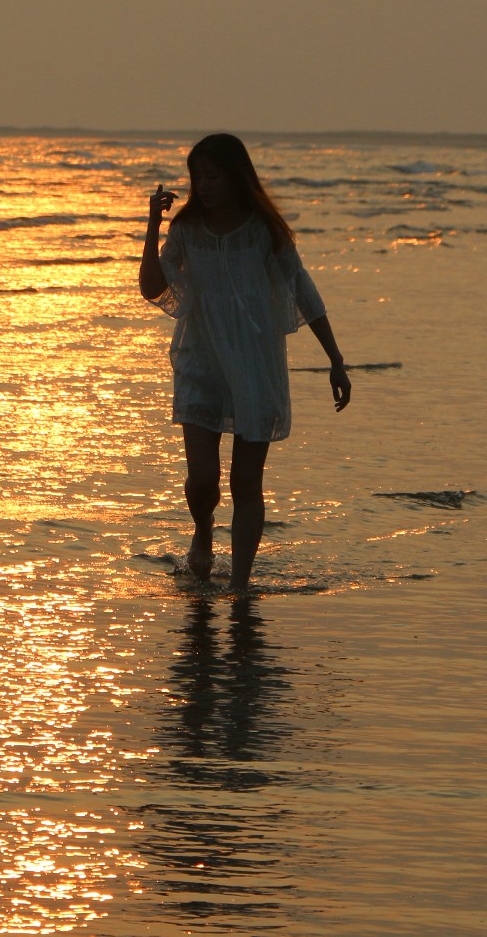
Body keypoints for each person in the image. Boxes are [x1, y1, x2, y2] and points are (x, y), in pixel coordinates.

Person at [139, 133, 350, 592]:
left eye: (213, 175)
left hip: (256, 366)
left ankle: (238, 585)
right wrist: (153, 224)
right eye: (198, 176)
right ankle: (202, 531)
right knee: (202, 479)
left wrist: (335, 359)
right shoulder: (188, 231)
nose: (204, 185)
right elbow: (153, 288)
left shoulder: (263, 231)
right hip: (202, 362)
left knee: (246, 481)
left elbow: (302, 290)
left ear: (236, 176)